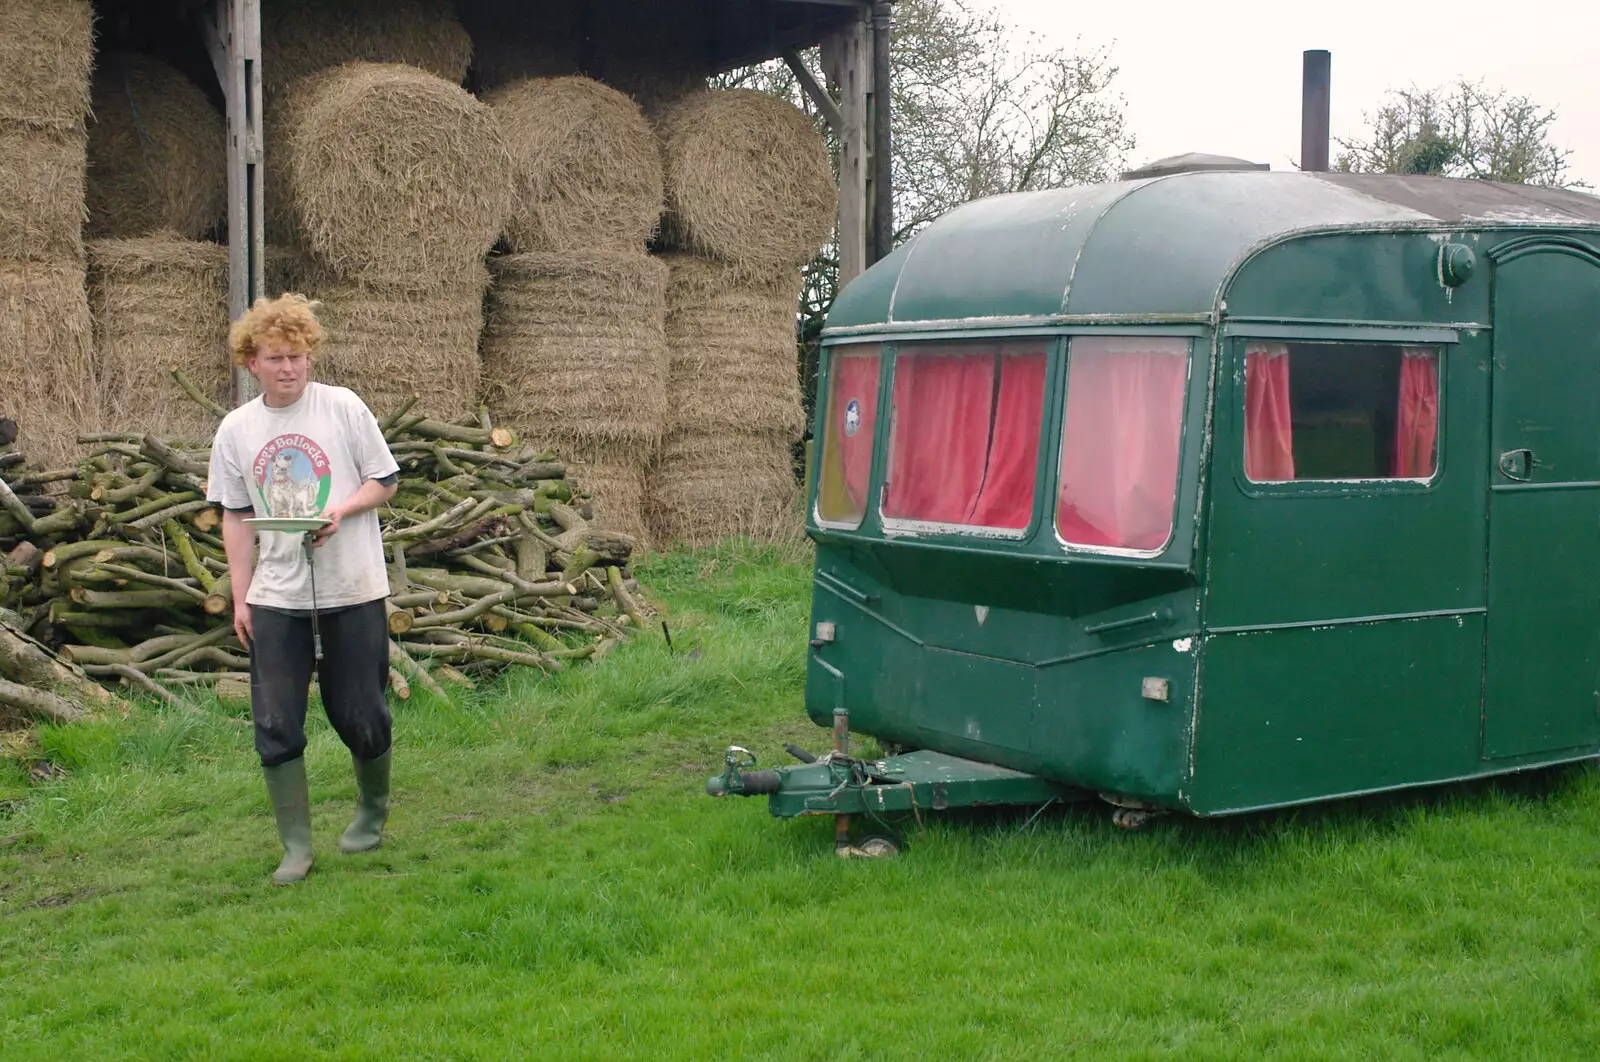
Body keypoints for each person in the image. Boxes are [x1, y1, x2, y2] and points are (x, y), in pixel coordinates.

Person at [207, 294, 400, 885]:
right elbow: (236, 517)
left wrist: (341, 509)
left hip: (353, 585)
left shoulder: (342, 408)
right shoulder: (237, 429)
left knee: (360, 713)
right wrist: (242, 596)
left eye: (298, 356)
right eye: (276, 358)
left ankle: (372, 809)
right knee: (275, 721)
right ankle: (296, 846)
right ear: (252, 363)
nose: (289, 367)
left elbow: (385, 481)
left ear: (310, 355)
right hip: (277, 596)